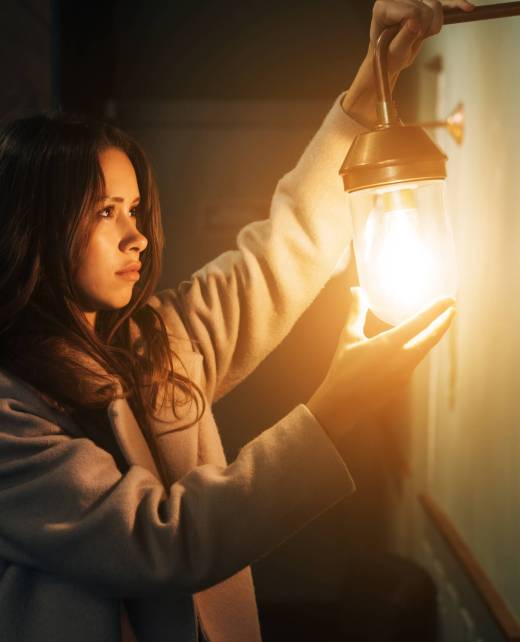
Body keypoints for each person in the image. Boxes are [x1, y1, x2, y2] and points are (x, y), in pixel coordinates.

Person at [0, 1, 473, 641]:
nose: (136, 236)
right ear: (35, 225)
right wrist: (332, 411)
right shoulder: (10, 417)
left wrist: (372, 83)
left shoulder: (158, 340)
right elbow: (158, 541)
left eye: (134, 208)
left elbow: (281, 249)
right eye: (105, 211)